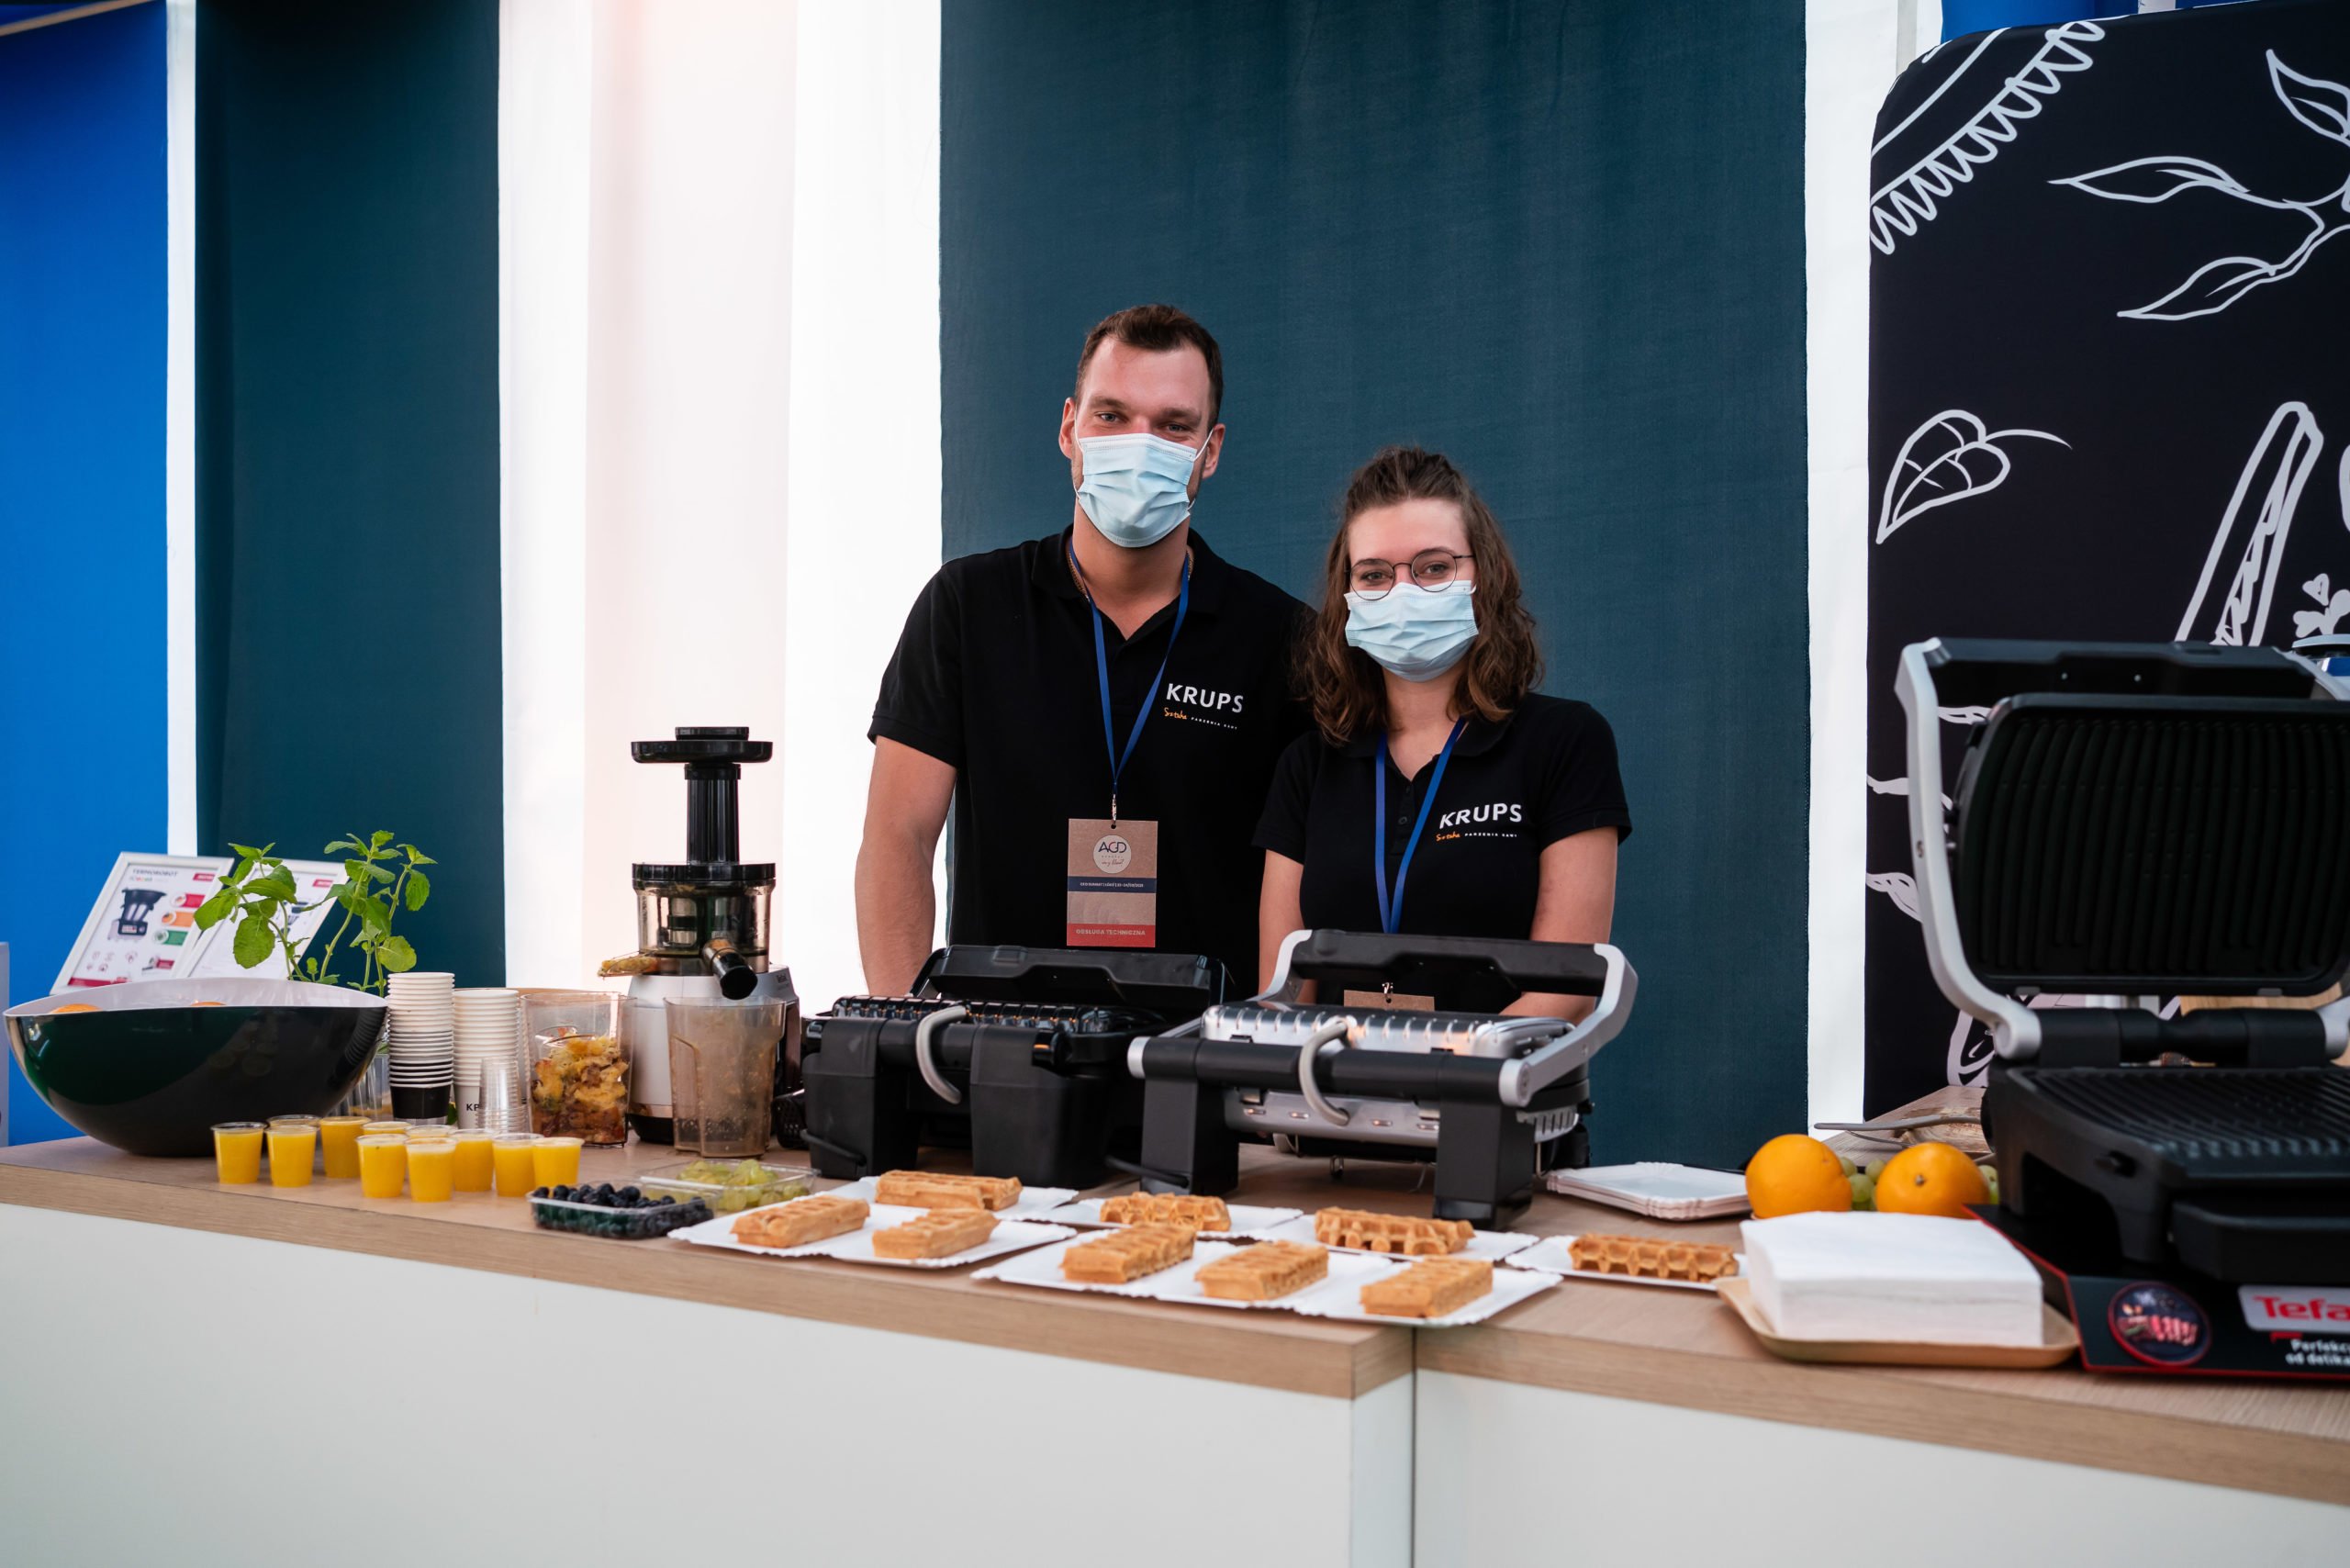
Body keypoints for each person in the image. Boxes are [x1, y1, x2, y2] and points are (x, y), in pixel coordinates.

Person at [856, 304, 1309, 995]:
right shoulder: (969, 606)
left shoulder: (1283, 638)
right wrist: (900, 1027)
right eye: (1112, 416)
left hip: (1204, 1046)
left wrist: (1273, 1039)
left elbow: (1312, 880)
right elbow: (899, 837)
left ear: (1210, 450)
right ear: (1070, 427)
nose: (1139, 445)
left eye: (1173, 426)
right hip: (997, 1043)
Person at [1255, 446, 1628, 1016]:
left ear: (1485, 574)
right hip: (1328, 1073)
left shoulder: (1565, 742)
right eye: (1374, 575)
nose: (1403, 592)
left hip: (1501, 1073)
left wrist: (1436, 1063)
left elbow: (1566, 989)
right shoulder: (1308, 765)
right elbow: (1282, 993)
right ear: (1347, 596)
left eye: (1434, 568)